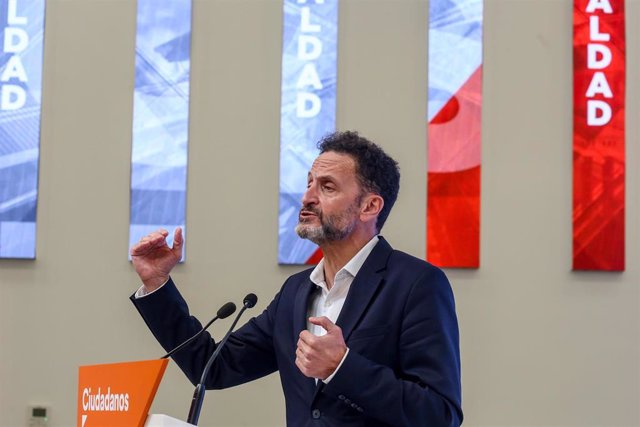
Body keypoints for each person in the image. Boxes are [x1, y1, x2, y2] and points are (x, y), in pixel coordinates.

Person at [130, 131, 462, 427]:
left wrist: (342, 367)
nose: (307, 198)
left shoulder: (416, 284)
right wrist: (157, 283)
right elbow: (213, 366)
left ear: (369, 206)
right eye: (308, 184)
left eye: (327, 186)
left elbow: (439, 413)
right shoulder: (296, 291)